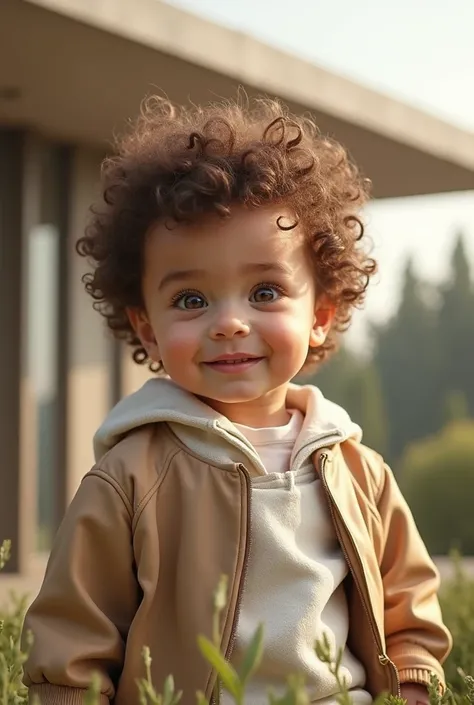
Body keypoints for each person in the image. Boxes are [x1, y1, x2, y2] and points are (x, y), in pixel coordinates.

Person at [23, 97, 451, 705]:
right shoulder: (130, 476)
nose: (228, 323)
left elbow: (409, 610)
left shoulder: (358, 471)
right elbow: (74, 639)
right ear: (146, 328)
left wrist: (412, 684)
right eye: (191, 300)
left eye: (266, 291)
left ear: (321, 316)